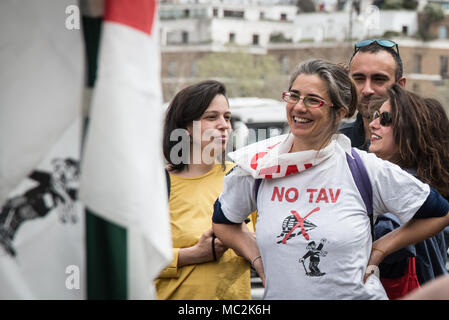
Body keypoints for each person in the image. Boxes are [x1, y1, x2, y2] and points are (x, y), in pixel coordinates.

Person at [212, 59, 449, 300]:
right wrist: (257, 259)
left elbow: (439, 212)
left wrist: (380, 248)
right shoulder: (259, 166)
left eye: (313, 100)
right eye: (294, 96)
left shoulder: (364, 168)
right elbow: (223, 221)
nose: (299, 107)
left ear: (340, 112)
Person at [155, 80, 253, 300]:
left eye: (227, 117)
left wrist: (241, 240)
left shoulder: (244, 178)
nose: (224, 125)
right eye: (211, 117)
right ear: (186, 127)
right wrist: (192, 255)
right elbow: (131, 260)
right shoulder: (156, 184)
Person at [368, 85, 449, 291]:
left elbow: (388, 228)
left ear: (410, 133)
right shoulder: (429, 186)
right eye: (376, 116)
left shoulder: (407, 192)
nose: (373, 124)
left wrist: (379, 247)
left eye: (385, 119)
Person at [340, 39, 406, 151]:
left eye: (379, 79)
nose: (367, 90)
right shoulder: (337, 143)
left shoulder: (425, 143)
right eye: (359, 79)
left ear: (400, 85)